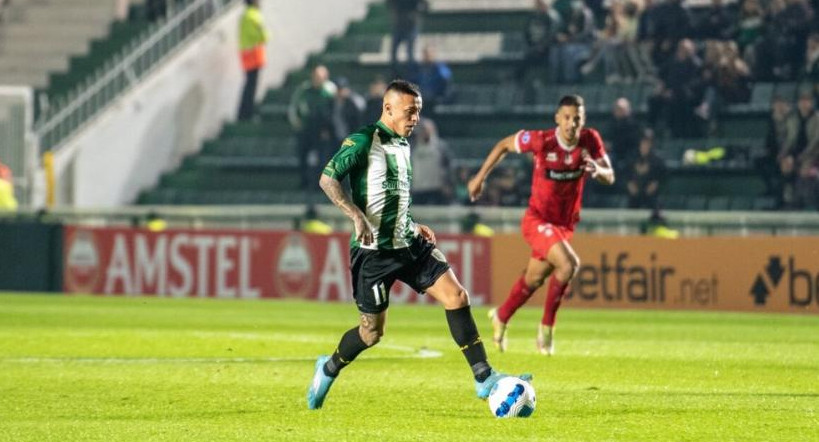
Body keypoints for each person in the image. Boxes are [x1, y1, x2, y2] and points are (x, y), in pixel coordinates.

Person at [307, 80, 530, 410]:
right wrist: (355, 216)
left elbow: (395, 196)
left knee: (457, 296)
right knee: (371, 333)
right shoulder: (363, 140)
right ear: (388, 108)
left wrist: (412, 223)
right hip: (373, 255)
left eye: (419, 113)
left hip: (410, 244)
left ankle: (483, 378)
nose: (415, 119)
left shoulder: (403, 145)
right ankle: (328, 368)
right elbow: (327, 179)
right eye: (410, 112)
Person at [467, 95, 615, 355]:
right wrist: (480, 178)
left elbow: (610, 176)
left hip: (564, 225)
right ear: (557, 119)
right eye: (567, 118)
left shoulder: (590, 139)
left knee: (534, 279)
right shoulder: (541, 140)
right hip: (537, 220)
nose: (571, 124)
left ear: (583, 120)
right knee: (569, 265)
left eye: (577, 118)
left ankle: (500, 316)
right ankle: (546, 329)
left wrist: (598, 171)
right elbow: (503, 145)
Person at [288, 65, 337, 190]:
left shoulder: (330, 91)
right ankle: (304, 182)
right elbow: (294, 106)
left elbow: (333, 111)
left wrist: (328, 129)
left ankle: (320, 183)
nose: (318, 79)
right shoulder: (304, 90)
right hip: (306, 128)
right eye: (316, 76)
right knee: (302, 155)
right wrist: (297, 122)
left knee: (323, 158)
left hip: (322, 130)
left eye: (321, 77)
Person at [236, 0, 268, 121]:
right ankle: (247, 113)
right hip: (253, 54)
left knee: (249, 84)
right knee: (251, 85)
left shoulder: (245, 15)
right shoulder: (254, 16)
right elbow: (261, 35)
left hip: (247, 53)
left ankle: (244, 112)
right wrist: (265, 34)